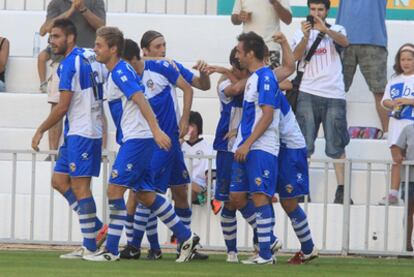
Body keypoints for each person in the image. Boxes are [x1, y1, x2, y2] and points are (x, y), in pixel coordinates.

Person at [83, 26, 199, 262]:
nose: (95, 49)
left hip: (137, 140)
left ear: (113, 49)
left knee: (114, 191)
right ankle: (186, 236)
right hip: (137, 139)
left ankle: (112, 250)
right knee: (145, 194)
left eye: (99, 45)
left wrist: (156, 130)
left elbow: (139, 98)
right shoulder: (117, 69)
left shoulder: (120, 72)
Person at [121, 30, 211, 261]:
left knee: (181, 192)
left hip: (170, 140)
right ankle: (136, 245)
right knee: (144, 191)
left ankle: (184, 245)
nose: (163, 50)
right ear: (145, 51)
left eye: (164, 45)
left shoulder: (168, 66)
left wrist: (185, 118)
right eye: (158, 46)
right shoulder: (130, 73)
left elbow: (200, 85)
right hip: (153, 142)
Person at [31, 18, 107, 259]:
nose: (51, 41)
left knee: (81, 188)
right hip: (79, 130)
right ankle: (95, 229)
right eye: (51, 37)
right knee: (59, 180)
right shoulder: (91, 55)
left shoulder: (68, 65)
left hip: (83, 132)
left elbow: (62, 106)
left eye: (56, 36)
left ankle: (90, 247)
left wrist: (41, 129)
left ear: (70, 38)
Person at [227, 31, 282, 265]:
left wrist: (248, 143)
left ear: (250, 53)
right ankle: (269, 239)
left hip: (260, 147)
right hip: (245, 146)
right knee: (237, 198)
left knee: (260, 196)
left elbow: (267, 115)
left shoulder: (265, 77)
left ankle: (266, 254)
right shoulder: (252, 78)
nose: (237, 55)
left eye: (239, 51)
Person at [292, 0, 351, 204]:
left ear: (327, 11)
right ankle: (301, 190)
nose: (316, 13)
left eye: (320, 10)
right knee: (304, 144)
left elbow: (344, 42)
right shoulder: (300, 31)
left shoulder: (337, 27)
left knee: (337, 144)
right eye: (313, 9)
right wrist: (307, 36)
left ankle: (342, 190)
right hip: (307, 92)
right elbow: (294, 58)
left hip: (334, 93)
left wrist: (325, 29)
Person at [38, 0, 106, 156]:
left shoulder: (96, 1)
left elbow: (102, 27)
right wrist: (72, 9)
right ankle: (53, 153)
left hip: (89, 60)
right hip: (62, 60)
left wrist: (82, 8)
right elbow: (47, 28)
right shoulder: (56, 3)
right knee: (56, 104)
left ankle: (99, 151)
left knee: (97, 105)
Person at [336, 0, 389, 136]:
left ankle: (390, 135)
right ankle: (333, 133)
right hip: (343, 39)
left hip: (374, 40)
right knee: (334, 92)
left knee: (381, 93)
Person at [277, 93, 318, 264]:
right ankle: (263, 246)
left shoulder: (269, 92)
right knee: (258, 195)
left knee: (288, 202)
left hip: (290, 150)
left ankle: (308, 247)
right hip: (279, 148)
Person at [379, 44, 414, 205]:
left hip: (411, 124)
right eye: (402, 59)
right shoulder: (394, 80)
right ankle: (393, 193)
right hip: (396, 124)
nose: (405, 63)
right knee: (397, 159)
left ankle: (408, 193)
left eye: (409, 59)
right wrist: (392, 104)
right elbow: (384, 100)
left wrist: (408, 101)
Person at [231, 0, 292, 69]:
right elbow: (234, 19)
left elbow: (288, 20)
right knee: (246, 78)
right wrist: (239, 17)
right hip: (247, 49)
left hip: (270, 47)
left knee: (269, 78)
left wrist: (275, 3)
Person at [181, 111, 215, 205]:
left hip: (198, 185)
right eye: (186, 125)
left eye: (191, 125)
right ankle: (201, 191)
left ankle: (202, 192)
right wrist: (183, 138)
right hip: (181, 184)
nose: (189, 128)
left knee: (188, 193)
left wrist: (209, 187)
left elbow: (209, 172)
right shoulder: (180, 145)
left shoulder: (207, 147)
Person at [394, 124, 414, 252]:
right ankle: (407, 245)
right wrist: (399, 156)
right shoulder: (408, 129)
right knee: (408, 211)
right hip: (410, 177)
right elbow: (397, 148)